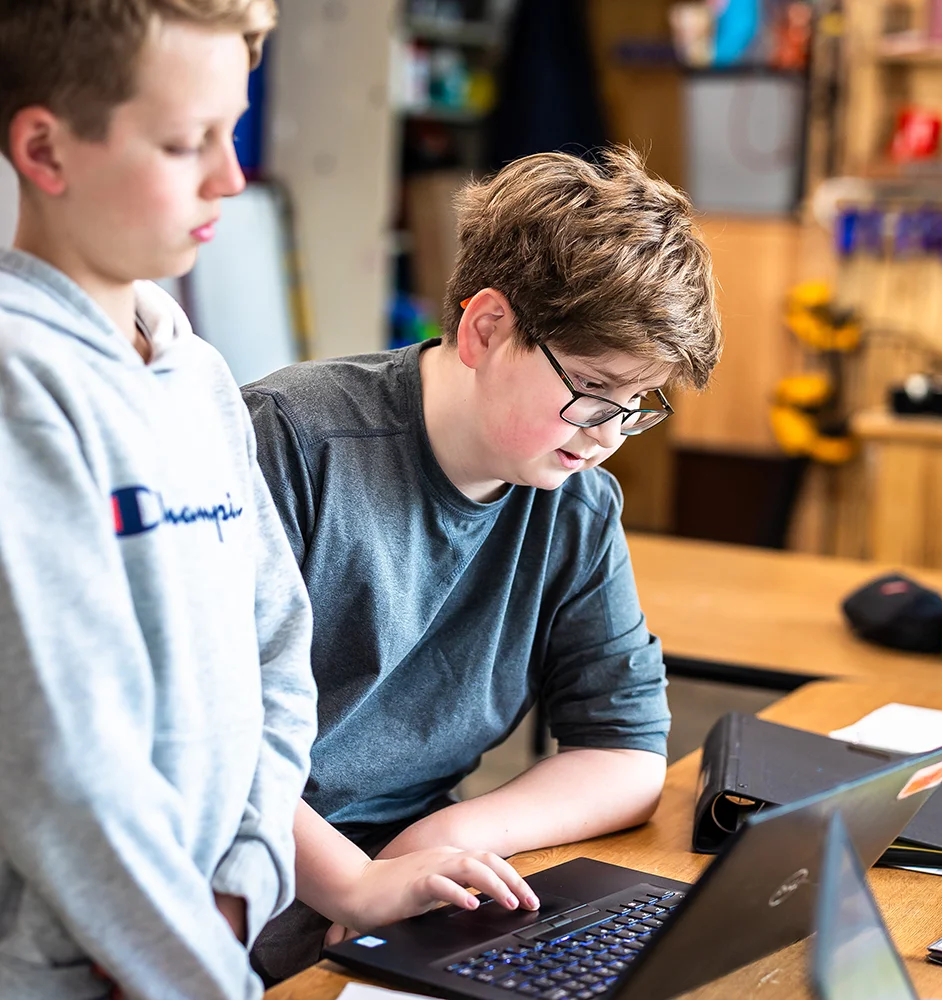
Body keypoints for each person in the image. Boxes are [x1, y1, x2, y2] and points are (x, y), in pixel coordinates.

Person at [0, 2, 531, 997]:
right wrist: (198, 967)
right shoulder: (19, 385)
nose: (230, 177)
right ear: (45, 147)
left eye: (229, 131)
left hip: (211, 939)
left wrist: (243, 891)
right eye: (183, 142)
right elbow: (63, 764)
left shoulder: (194, 373)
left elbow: (275, 662)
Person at [243, 145, 723, 981]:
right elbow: (203, 739)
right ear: (485, 328)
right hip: (248, 862)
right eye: (591, 388)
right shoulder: (290, 441)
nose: (608, 435)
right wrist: (354, 885)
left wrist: (439, 839)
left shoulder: (575, 504)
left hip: (414, 865)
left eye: (636, 406)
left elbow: (627, 752)